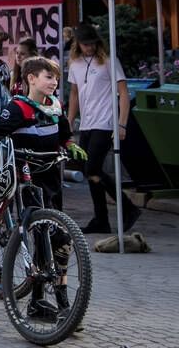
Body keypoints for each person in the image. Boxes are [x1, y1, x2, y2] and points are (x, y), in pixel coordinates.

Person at [0, 56, 87, 319]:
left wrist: (70, 147)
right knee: (47, 237)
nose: (55, 82)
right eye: (48, 76)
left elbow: (64, 134)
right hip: (28, 182)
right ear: (31, 78)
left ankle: (44, 301)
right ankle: (59, 305)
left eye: (56, 77)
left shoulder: (55, 106)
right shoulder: (18, 108)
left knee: (59, 239)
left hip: (52, 180)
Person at [66, 23, 140, 234]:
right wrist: (69, 121)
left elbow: (123, 93)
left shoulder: (108, 60)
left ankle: (128, 207)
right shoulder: (75, 63)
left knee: (92, 169)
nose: (89, 47)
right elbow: (74, 94)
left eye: (92, 43)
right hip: (87, 123)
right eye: (85, 44)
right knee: (88, 171)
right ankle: (101, 219)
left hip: (105, 122)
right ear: (78, 44)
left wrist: (122, 123)